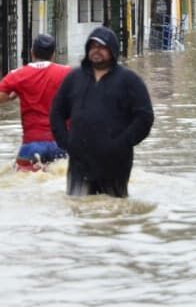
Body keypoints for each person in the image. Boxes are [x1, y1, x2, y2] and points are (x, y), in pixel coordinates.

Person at [49, 27, 154, 198]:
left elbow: (144, 117)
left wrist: (122, 143)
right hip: (79, 161)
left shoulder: (129, 80)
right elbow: (57, 112)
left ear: (112, 50)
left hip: (115, 162)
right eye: (93, 46)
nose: (96, 50)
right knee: (79, 208)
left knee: (113, 211)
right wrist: (66, 142)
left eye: (102, 47)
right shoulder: (73, 78)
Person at [0, 33, 71, 171]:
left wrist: (13, 96)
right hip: (62, 144)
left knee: (16, 177)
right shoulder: (68, 72)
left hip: (32, 145)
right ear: (53, 54)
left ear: (32, 52)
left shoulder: (19, 74)